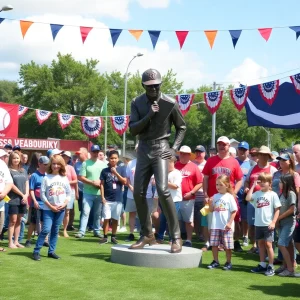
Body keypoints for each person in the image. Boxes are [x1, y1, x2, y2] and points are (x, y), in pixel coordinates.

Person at [128, 68, 186, 253]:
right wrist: (149, 115)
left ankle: (176, 237)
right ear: (143, 85)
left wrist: (174, 148)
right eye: (150, 86)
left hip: (161, 147)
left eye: (156, 85)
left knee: (162, 189)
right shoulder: (137, 102)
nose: (154, 88)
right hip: (144, 147)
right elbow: (133, 129)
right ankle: (147, 234)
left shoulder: (170, 103)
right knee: (138, 192)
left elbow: (181, 127)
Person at [202, 136, 243, 251]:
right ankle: (211, 243)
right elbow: (205, 178)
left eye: (224, 144)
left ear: (229, 146)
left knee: (231, 220)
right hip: (212, 197)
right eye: (219, 144)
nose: (221, 146)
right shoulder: (210, 160)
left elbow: (240, 179)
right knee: (210, 221)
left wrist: (234, 193)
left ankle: (230, 242)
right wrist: (205, 194)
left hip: (227, 198)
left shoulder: (234, 161)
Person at [33, 155, 71, 261]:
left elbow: (68, 193)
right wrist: (50, 206)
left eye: (58, 164)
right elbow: (42, 195)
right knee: (45, 229)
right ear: (50, 164)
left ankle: (51, 251)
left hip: (60, 208)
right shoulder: (46, 177)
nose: (56, 166)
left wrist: (64, 204)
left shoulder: (64, 178)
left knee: (55, 230)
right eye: (54, 163)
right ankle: (36, 251)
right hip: (48, 208)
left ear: (61, 165)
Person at [245, 172, 281, 276]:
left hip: (268, 224)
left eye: (265, 181)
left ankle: (271, 265)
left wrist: (274, 222)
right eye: (261, 181)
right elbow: (248, 198)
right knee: (260, 244)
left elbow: (277, 209)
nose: (262, 183)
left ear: (270, 183)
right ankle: (262, 264)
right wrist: (253, 185)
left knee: (268, 244)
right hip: (258, 224)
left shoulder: (273, 194)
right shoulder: (257, 194)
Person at [244, 145, 278, 254]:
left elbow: (276, 185)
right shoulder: (253, 168)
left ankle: (267, 247)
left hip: (266, 201)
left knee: (266, 224)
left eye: (265, 155)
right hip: (253, 199)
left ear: (268, 156)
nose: (262, 157)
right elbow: (247, 180)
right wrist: (246, 187)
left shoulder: (272, 169)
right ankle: (255, 245)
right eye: (261, 154)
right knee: (252, 224)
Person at [75, 145, 107, 238]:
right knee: (85, 212)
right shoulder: (86, 163)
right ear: (91, 152)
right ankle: (82, 231)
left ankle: (96, 231)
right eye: (94, 152)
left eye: (97, 152)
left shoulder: (103, 164)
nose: (95, 153)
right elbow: (80, 177)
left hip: (99, 193)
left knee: (97, 214)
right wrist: (92, 182)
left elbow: (105, 178)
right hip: (88, 192)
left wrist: (100, 183)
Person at [207, 175, 237, 270]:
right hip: (216, 224)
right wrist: (210, 203)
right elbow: (211, 210)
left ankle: (228, 262)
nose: (218, 187)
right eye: (217, 184)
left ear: (227, 185)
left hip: (226, 226)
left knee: (227, 246)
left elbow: (234, 211)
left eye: (220, 184)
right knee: (214, 244)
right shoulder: (215, 196)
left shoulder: (229, 197)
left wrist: (229, 223)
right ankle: (215, 261)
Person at [175, 146, 203, 247]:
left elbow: (200, 182)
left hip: (189, 198)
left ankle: (189, 240)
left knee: (188, 220)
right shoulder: (175, 165)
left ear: (189, 155)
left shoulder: (194, 167)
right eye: (181, 153)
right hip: (176, 198)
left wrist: (191, 192)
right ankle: (176, 239)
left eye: (185, 153)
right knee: (176, 220)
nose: (182, 155)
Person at [99, 150, 127, 244]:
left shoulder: (122, 169)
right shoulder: (104, 171)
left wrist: (116, 173)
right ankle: (105, 236)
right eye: (111, 158)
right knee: (106, 218)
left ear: (118, 159)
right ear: (108, 159)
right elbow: (102, 184)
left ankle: (113, 236)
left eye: (115, 158)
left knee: (115, 218)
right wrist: (102, 197)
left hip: (118, 198)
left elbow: (124, 181)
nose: (113, 160)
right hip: (107, 199)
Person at [275, 174, 298, 277]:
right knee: (287, 245)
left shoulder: (291, 193)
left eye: (281, 182)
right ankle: (286, 266)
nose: (279, 184)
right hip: (281, 223)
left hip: (289, 222)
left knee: (281, 244)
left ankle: (290, 269)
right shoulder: (281, 194)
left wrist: (278, 218)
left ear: (286, 183)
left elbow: (292, 209)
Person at [156, 156, 182, 243]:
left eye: (169, 162)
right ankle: (160, 237)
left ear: (173, 162)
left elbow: (175, 186)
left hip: (174, 200)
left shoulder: (177, 173)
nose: (167, 164)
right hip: (163, 200)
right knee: (163, 219)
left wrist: (164, 182)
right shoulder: (162, 173)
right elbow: (158, 188)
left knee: (172, 220)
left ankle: (173, 239)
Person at [25, 156, 49, 248]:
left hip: (46, 203)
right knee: (33, 222)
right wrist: (34, 201)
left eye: (48, 164)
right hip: (37, 203)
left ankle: (45, 240)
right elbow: (31, 190)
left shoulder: (48, 175)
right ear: (39, 164)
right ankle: (28, 240)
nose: (47, 166)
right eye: (45, 164)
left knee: (45, 222)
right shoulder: (35, 175)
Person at [7, 152, 29, 248]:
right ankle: (10, 242)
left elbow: (27, 183)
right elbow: (11, 186)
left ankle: (16, 241)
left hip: (23, 199)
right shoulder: (9, 171)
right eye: (14, 158)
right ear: (11, 159)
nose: (16, 160)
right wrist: (22, 195)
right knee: (13, 220)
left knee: (19, 220)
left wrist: (26, 195)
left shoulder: (23, 170)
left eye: (17, 158)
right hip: (13, 199)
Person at [235, 141, 252, 251]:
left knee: (245, 218)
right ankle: (236, 237)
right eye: (240, 149)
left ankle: (245, 236)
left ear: (248, 151)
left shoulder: (251, 163)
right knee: (236, 218)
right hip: (235, 194)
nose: (242, 151)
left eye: (244, 150)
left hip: (246, 195)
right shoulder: (234, 161)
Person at [62, 151, 78, 237]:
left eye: (67, 157)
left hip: (69, 191)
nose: (65, 158)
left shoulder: (71, 168)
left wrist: (67, 182)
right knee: (58, 211)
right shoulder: (57, 166)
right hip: (59, 191)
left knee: (67, 212)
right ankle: (56, 230)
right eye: (64, 156)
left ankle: (64, 230)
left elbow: (75, 180)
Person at [192, 145, 207, 241]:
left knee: (203, 216)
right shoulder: (192, 164)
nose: (198, 154)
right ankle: (197, 234)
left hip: (203, 195)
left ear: (205, 153)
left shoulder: (207, 164)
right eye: (196, 152)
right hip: (193, 195)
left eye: (200, 152)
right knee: (194, 217)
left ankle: (202, 234)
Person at [0, 153, 13, 252]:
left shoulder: (3, 165)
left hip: (1, 203)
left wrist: (3, 194)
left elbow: (9, 182)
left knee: (0, 225)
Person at [74, 147, 88, 228]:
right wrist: (76, 191)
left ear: (85, 154)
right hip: (80, 190)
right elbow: (75, 178)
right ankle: (82, 225)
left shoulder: (89, 163)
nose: (78, 156)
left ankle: (89, 225)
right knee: (82, 209)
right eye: (77, 154)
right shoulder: (76, 164)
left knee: (89, 209)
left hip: (89, 189)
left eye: (80, 154)